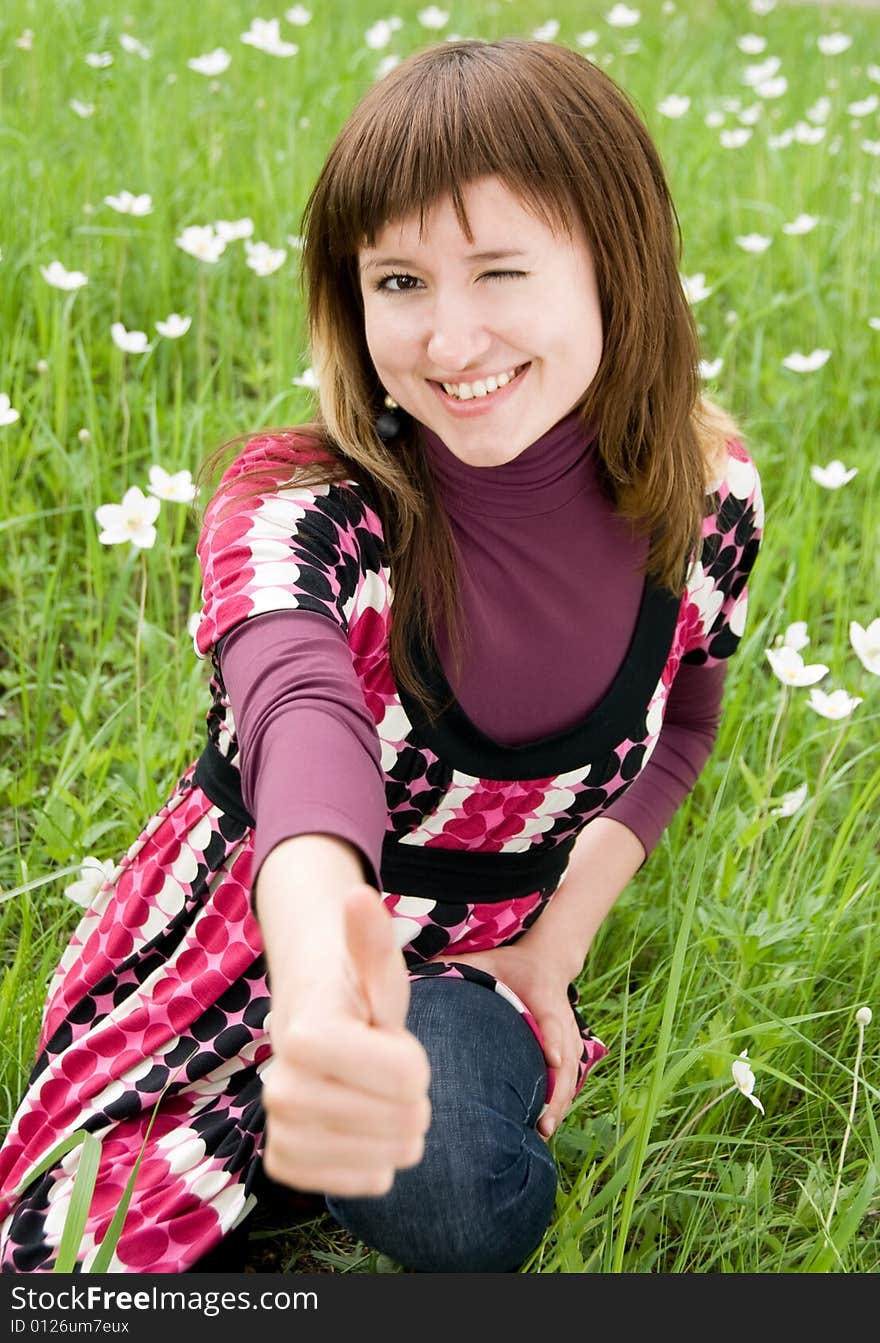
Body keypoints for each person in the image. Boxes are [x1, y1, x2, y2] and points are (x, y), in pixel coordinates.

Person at [0, 37, 763, 1274]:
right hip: (250, 928)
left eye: (500, 271)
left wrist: (552, 949)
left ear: (618, 267)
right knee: (66, 1266)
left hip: (474, 949)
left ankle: (340, 1132)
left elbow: (679, 726)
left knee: (449, 1194)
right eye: (398, 281)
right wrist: (315, 974)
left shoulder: (704, 500)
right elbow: (302, 720)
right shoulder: (300, 505)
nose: (450, 341)